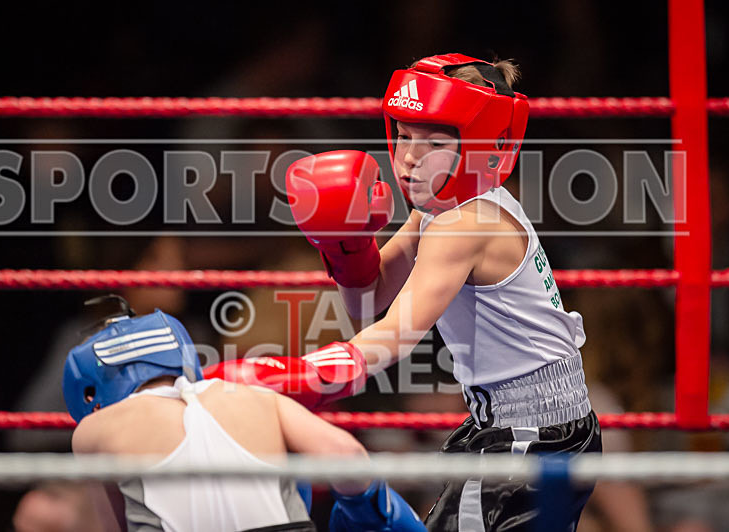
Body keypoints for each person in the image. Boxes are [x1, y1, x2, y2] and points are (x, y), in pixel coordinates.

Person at [207, 53, 601, 531]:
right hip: (518, 423)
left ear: (476, 146)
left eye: (435, 141)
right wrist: (347, 248)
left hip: (531, 435)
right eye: (406, 135)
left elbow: (396, 333)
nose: (411, 157)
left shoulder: (466, 223)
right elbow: (369, 304)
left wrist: (307, 375)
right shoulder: (442, 207)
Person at [64, 297, 426, 532]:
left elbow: (113, 526)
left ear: (89, 394)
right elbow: (347, 458)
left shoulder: (95, 430)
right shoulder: (252, 395)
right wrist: (362, 516)